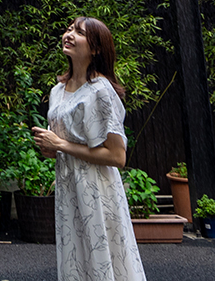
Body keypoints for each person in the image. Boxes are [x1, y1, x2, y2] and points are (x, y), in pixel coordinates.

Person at [31, 17, 146, 281]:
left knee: (102, 258)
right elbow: (65, 145)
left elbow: (117, 156)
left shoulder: (101, 91)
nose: (68, 34)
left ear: (95, 48)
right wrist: (51, 148)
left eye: (78, 32)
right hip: (68, 187)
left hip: (97, 190)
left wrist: (60, 144)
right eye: (69, 29)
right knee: (75, 257)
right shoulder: (58, 90)